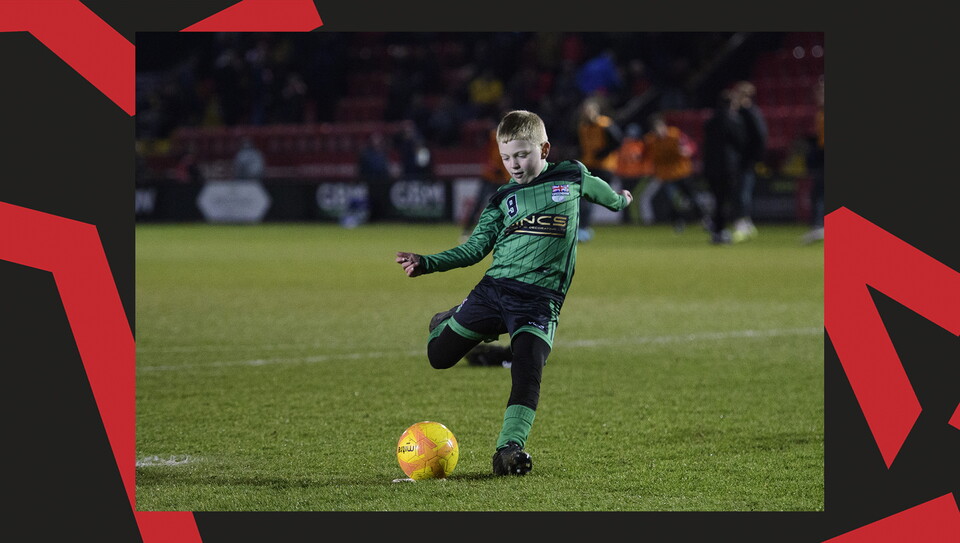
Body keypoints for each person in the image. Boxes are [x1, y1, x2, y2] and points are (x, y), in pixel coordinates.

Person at [395, 110, 633, 476]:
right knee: (438, 356)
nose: (514, 164)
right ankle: (450, 318)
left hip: (540, 303)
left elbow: (606, 195)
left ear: (544, 149)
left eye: (522, 155)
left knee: (527, 367)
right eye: (507, 157)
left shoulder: (571, 175)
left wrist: (622, 200)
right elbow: (474, 249)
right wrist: (426, 263)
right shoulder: (502, 198)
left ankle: (508, 450)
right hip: (494, 291)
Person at [637, 114, 710, 231]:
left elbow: (691, 146)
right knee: (671, 201)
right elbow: (645, 155)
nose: (658, 131)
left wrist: (687, 151)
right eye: (655, 129)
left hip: (682, 173)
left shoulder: (675, 135)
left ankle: (704, 220)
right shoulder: (651, 141)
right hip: (666, 176)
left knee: (692, 198)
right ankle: (678, 222)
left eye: (659, 128)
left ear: (664, 126)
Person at [702, 89, 746, 244]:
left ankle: (716, 230)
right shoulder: (733, 121)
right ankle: (721, 231)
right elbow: (740, 143)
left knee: (717, 200)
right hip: (728, 167)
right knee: (725, 201)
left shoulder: (710, 122)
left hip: (711, 167)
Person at [576, 98, 622, 241]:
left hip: (604, 167)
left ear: (596, 111)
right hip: (589, 166)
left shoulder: (605, 124)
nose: (587, 113)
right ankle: (582, 228)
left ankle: (583, 229)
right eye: (585, 111)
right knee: (583, 197)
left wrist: (603, 153)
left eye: (589, 110)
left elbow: (618, 141)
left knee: (586, 197)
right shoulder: (583, 127)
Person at [460, 124, 512, 242]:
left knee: (507, 205)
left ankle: (507, 230)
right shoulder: (495, 136)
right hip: (490, 176)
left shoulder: (513, 140)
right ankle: (467, 230)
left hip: (503, 178)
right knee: (478, 203)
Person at [731, 81, 768, 242]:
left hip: (746, 160)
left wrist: (756, 158)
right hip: (740, 159)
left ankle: (743, 222)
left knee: (743, 191)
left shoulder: (750, 113)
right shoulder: (741, 113)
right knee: (740, 191)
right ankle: (746, 222)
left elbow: (760, 136)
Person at [802, 76, 825, 244]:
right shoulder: (820, 113)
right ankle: (818, 226)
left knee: (819, 192)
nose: (817, 95)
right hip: (822, 155)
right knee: (818, 192)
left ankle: (818, 227)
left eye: (821, 92)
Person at [614, 122, 651, 224]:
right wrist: (618, 172)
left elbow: (646, 159)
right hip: (625, 176)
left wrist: (646, 172)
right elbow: (619, 161)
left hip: (638, 176)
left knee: (635, 198)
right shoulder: (623, 146)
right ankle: (627, 220)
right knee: (625, 199)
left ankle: (638, 220)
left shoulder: (641, 145)